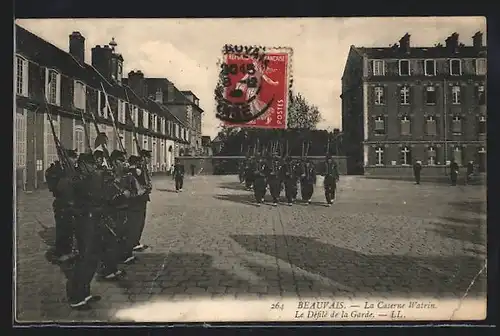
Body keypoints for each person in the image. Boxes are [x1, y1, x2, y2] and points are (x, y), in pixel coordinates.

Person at [66, 152, 115, 310]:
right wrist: (98, 176)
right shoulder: (77, 178)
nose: (95, 166)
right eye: (92, 164)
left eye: (95, 164)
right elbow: (88, 191)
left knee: (93, 256)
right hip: (84, 221)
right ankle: (77, 297)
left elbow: (102, 194)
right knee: (85, 257)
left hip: (95, 219)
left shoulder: (91, 177)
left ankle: (85, 292)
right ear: (83, 165)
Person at [45, 149, 79, 263]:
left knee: (69, 228)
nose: (75, 161)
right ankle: (63, 252)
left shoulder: (72, 170)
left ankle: (67, 250)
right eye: (73, 159)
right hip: (62, 203)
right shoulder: (58, 170)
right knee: (64, 228)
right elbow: (57, 187)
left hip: (71, 203)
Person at [127, 155, 150, 252]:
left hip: (136, 199)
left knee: (137, 222)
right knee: (138, 222)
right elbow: (142, 185)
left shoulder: (132, 171)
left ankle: (135, 242)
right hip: (138, 200)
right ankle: (134, 242)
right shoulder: (137, 172)